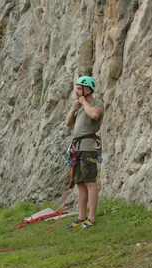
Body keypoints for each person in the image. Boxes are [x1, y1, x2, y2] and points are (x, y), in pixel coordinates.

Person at [66, 76, 104, 229]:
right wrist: (74, 108)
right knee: (80, 183)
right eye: (77, 88)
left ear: (87, 89)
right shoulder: (81, 106)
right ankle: (81, 217)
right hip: (77, 147)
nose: (77, 90)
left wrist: (83, 103)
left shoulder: (96, 103)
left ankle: (91, 218)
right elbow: (68, 123)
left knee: (90, 182)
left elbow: (95, 115)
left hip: (89, 147)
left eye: (79, 88)